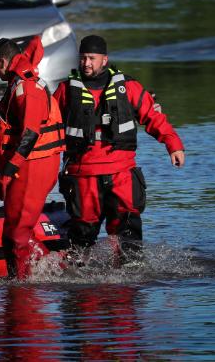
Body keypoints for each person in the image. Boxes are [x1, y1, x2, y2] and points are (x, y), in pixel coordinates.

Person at [53, 35, 185, 260]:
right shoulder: (66, 90)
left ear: (104, 59)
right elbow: (47, 124)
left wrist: (173, 145)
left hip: (121, 173)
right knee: (81, 240)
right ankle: (82, 285)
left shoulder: (128, 87)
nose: (86, 63)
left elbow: (153, 117)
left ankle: (130, 282)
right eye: (83, 58)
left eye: (92, 58)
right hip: (83, 175)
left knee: (129, 237)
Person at [0, 36, 65, 279]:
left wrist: (6, 174)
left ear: (3, 62)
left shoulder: (27, 89)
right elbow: (5, 139)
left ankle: (21, 289)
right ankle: (55, 270)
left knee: (15, 234)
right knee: (18, 231)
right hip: (26, 164)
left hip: (33, 164)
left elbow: (30, 135)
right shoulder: (16, 85)